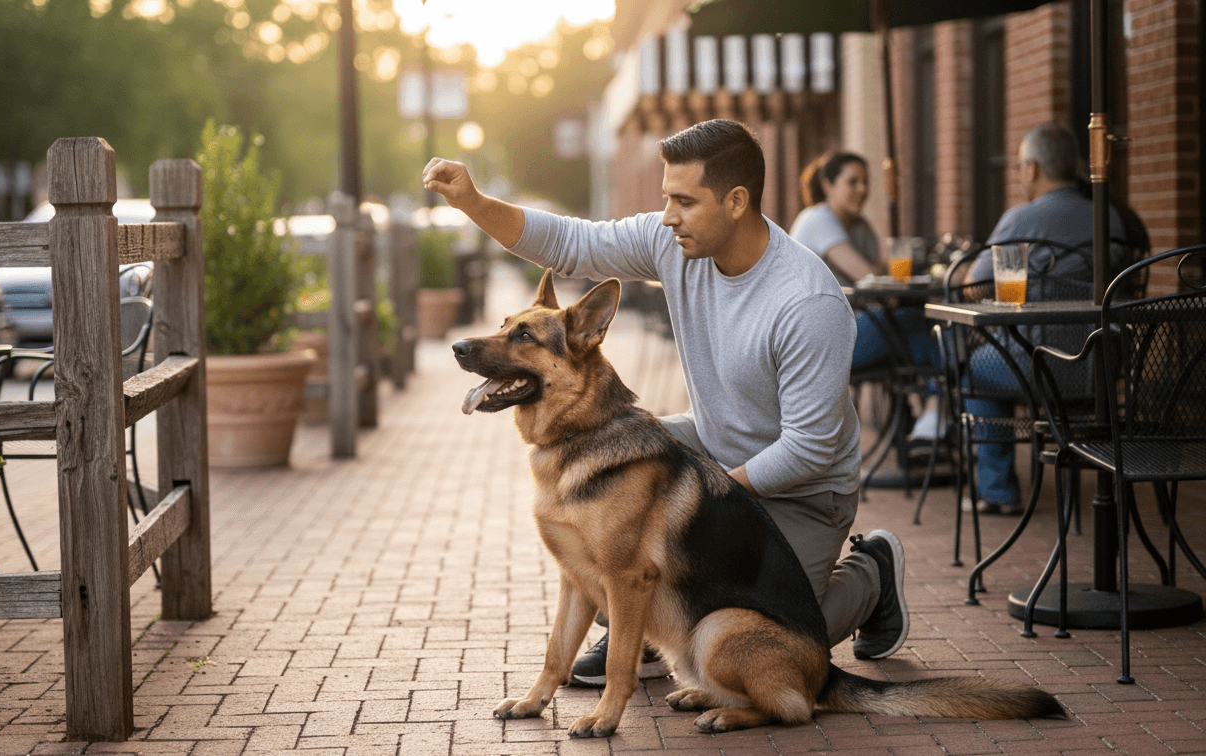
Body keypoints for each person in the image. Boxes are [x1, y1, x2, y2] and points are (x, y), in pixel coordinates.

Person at [422, 119, 911, 684]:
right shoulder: (673, 240)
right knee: (613, 522)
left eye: (683, 200)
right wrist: (474, 202)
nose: (668, 215)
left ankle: (870, 575)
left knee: (775, 640)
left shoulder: (806, 303)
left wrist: (705, 500)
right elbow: (570, 243)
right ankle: (646, 634)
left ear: (735, 202)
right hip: (711, 444)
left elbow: (809, 448)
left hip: (805, 489)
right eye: (665, 199)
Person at [961, 122, 1146, 514]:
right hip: (1101, 365)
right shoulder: (1108, 216)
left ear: (1030, 168)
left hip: (1035, 364)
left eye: (1017, 167)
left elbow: (972, 283)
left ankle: (997, 491)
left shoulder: (1020, 218)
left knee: (974, 365)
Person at [789, 151, 938, 385]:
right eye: (853, 182)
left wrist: (869, 229)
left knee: (920, 334)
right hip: (818, 341)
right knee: (921, 322)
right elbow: (867, 274)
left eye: (866, 182)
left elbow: (885, 266)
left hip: (845, 325)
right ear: (828, 186)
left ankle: (927, 410)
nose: (862, 189)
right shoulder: (818, 218)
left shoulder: (857, 225)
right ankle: (935, 409)